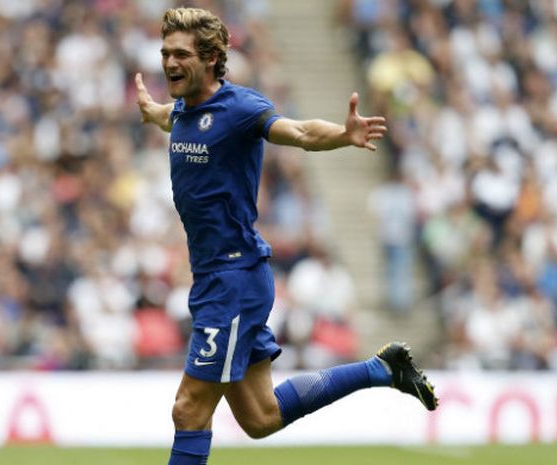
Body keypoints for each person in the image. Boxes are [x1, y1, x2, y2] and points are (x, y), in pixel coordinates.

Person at [135, 7, 438, 465]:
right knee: (260, 416)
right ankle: (381, 369)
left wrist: (341, 133)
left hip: (233, 280)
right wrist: (152, 111)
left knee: (188, 410)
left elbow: (296, 130)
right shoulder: (182, 109)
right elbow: (170, 118)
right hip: (220, 278)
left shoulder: (240, 108)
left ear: (213, 58)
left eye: (181, 54)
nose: (169, 62)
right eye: (165, 53)